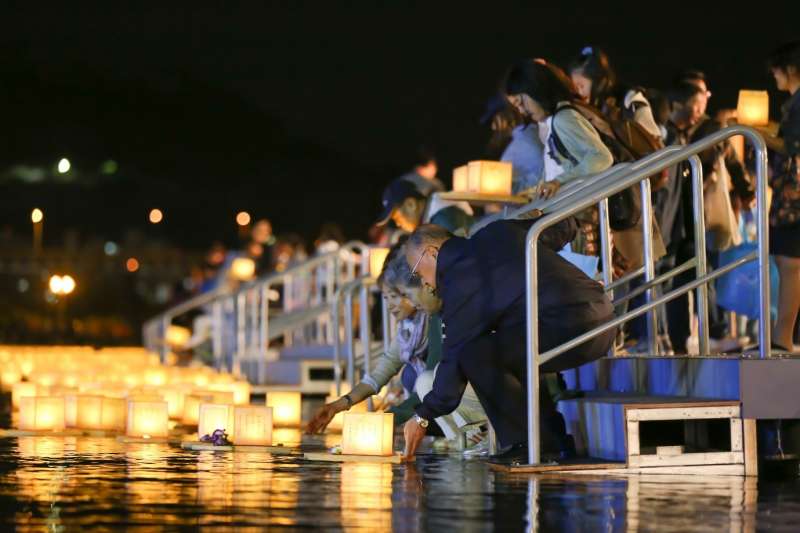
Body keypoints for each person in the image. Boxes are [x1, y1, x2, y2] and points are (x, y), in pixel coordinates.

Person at [400, 220, 616, 463]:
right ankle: (550, 438)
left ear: (432, 252)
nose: (425, 283)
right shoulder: (498, 230)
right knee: (508, 348)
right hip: (603, 318)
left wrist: (422, 416)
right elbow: (563, 227)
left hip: (572, 326)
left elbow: (454, 361)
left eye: (418, 272)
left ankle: (530, 442)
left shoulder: (460, 280)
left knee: (475, 354)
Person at [306, 239, 488, 448]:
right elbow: (383, 369)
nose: (390, 305)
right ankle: (462, 439)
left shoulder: (434, 316)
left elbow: (438, 382)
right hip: (447, 398)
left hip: (469, 395)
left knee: (422, 380)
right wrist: (339, 405)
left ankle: (471, 439)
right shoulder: (410, 328)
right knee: (417, 379)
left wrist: (385, 421)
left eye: (395, 296)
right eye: (385, 298)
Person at [759, 41, 800, 351]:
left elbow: (792, 147)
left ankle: (782, 337)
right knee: (789, 263)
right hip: (790, 195)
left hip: (793, 198)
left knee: (789, 263)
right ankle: (782, 336)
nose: (773, 75)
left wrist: (757, 134)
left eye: (776, 69)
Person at [568, 46, 661, 139]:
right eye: (575, 87)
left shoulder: (631, 101)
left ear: (599, 82)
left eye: (581, 86)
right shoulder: (586, 109)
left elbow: (655, 144)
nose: (579, 92)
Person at [481, 93, 544, 194]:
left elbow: (504, 191)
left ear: (506, 115)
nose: (493, 127)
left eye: (494, 120)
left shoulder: (517, 147)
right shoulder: (536, 130)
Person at [376, 178, 474, 236]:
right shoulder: (433, 220)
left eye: (397, 217)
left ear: (411, 205)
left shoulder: (441, 222)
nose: (397, 224)